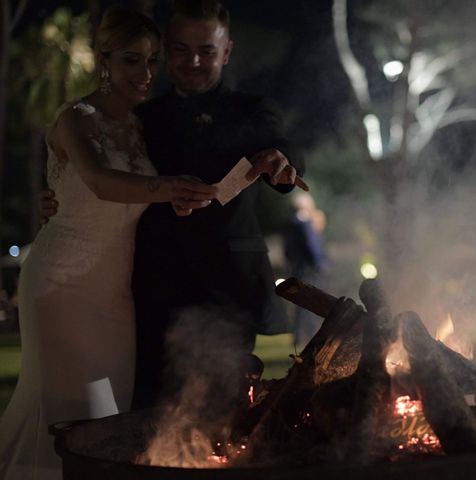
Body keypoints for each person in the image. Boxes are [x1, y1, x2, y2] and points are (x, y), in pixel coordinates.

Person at [41, 0, 306, 410]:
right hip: (150, 288)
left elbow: (280, 146)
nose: (193, 61)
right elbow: (101, 171)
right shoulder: (142, 117)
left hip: (227, 291)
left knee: (223, 416)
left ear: (227, 51)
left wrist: (282, 163)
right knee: (145, 415)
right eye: (181, 49)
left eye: (207, 51)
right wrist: (60, 199)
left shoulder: (251, 111)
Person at [0, 7, 219, 479]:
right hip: (61, 287)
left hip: (114, 295)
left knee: (110, 415)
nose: (145, 74)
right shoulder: (75, 118)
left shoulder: (138, 129)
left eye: (152, 60)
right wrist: (170, 187)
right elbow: (100, 182)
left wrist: (174, 200)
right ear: (104, 60)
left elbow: (132, 198)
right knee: (71, 415)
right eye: (131, 60)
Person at [283, 192, 329, 350]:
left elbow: (288, 249)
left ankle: (299, 336)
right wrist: (320, 263)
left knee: (300, 305)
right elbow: (312, 245)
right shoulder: (303, 222)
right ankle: (309, 335)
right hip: (308, 268)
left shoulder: (290, 222)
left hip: (297, 267)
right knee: (310, 302)